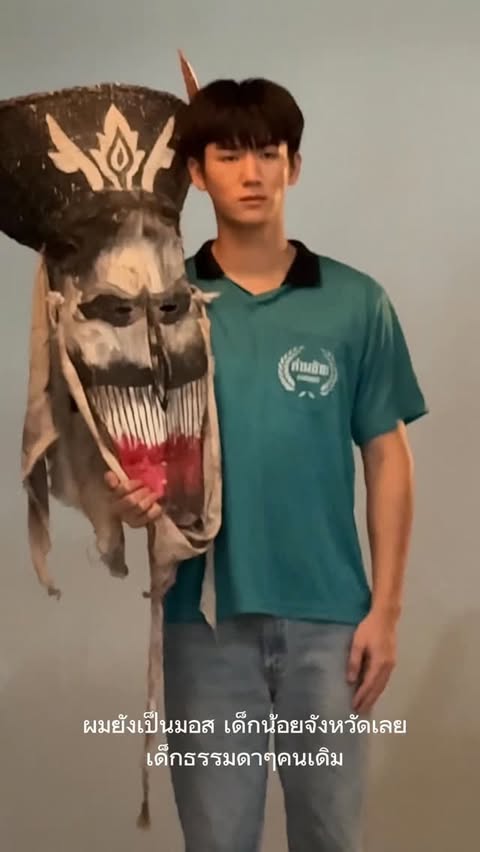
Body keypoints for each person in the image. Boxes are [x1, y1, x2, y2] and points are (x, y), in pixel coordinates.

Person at [105, 76, 428, 852]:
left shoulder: (355, 303)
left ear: (295, 165)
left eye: (269, 153)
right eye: (228, 155)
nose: (251, 173)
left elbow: (387, 456)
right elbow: (136, 458)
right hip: (203, 624)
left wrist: (385, 611)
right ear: (195, 172)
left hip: (332, 625)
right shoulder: (163, 307)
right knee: (219, 842)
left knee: (330, 838)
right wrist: (128, 499)